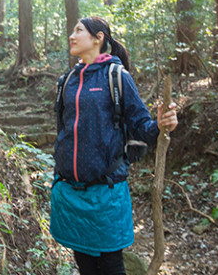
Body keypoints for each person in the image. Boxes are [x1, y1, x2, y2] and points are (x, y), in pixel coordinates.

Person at [50, 16, 178, 275]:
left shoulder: (116, 76)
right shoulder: (68, 80)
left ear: (98, 38)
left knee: (110, 267)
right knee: (85, 266)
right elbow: (63, 130)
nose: (72, 36)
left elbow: (142, 126)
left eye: (79, 31)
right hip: (72, 193)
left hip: (106, 195)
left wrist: (162, 124)